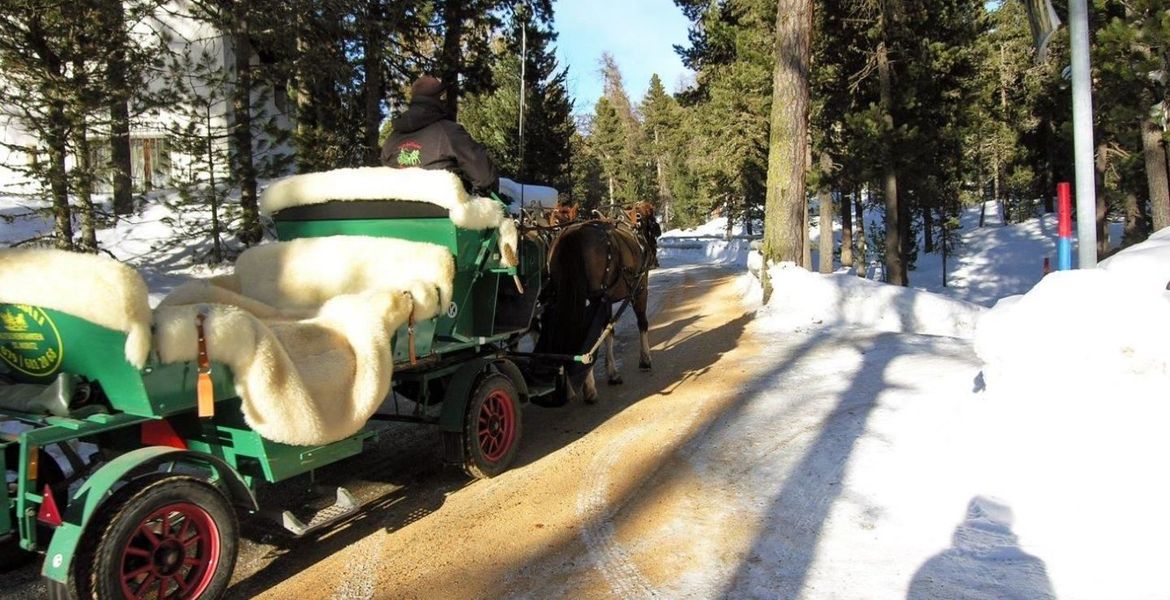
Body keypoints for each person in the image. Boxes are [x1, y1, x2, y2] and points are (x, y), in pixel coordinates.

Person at [381, 75, 499, 194]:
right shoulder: (449, 132)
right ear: (440, 97)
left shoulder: (393, 137)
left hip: (398, 208)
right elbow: (485, 178)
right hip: (444, 209)